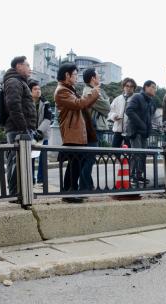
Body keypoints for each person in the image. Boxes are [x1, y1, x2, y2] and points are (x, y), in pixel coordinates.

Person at [54, 63, 99, 203]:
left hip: (75, 132)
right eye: (74, 74)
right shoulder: (62, 91)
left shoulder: (68, 89)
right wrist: (94, 93)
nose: (76, 77)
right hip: (72, 132)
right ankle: (69, 193)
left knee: (75, 164)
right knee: (75, 164)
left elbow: (81, 105)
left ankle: (69, 192)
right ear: (67, 75)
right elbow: (78, 104)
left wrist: (93, 96)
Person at [3, 56, 40, 198]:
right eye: (27, 65)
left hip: (21, 129)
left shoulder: (19, 81)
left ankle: (22, 192)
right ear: (18, 66)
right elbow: (14, 105)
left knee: (21, 161)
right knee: (16, 162)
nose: (29, 68)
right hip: (18, 129)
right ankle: (15, 194)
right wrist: (24, 128)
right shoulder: (13, 81)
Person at [125, 80, 157, 184]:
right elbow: (129, 110)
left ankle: (139, 175)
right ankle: (132, 176)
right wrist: (141, 124)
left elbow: (149, 117)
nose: (154, 89)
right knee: (137, 153)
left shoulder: (150, 101)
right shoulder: (137, 97)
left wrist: (148, 128)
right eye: (153, 87)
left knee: (143, 154)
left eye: (155, 87)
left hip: (144, 132)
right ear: (146, 87)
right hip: (135, 130)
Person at [28, 80, 53, 187]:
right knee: (31, 157)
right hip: (30, 134)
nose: (38, 91)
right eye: (35, 89)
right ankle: (31, 179)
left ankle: (41, 180)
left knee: (43, 157)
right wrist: (32, 132)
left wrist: (39, 131)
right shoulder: (27, 102)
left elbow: (48, 119)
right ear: (30, 91)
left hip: (42, 134)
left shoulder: (46, 103)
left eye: (39, 89)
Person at [82, 68, 110, 144]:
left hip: (95, 127)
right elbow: (107, 107)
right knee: (92, 152)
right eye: (98, 75)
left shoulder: (94, 90)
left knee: (93, 152)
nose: (99, 77)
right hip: (93, 128)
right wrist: (106, 99)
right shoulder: (89, 92)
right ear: (93, 78)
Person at [107, 78, 137, 148]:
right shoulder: (117, 99)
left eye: (131, 86)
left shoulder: (136, 98)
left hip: (131, 131)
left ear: (134, 88)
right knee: (114, 150)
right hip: (118, 129)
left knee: (130, 152)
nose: (129, 88)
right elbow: (110, 112)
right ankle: (117, 159)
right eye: (127, 86)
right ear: (123, 87)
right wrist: (114, 116)